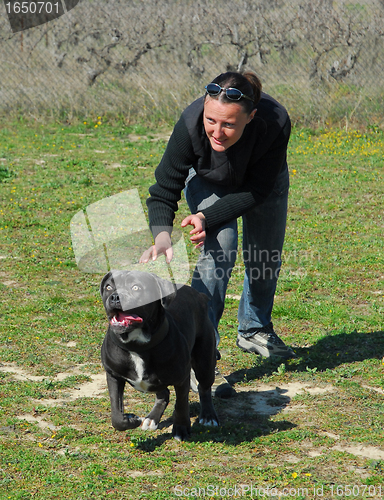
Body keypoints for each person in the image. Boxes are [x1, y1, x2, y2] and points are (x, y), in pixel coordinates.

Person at [140, 71, 295, 397]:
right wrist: (162, 236)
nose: (217, 131)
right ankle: (198, 352)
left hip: (262, 184)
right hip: (209, 178)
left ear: (251, 117)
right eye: (212, 120)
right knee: (220, 246)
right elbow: (164, 188)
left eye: (228, 124)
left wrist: (206, 216)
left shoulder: (275, 122)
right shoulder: (191, 123)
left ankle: (254, 328)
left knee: (264, 257)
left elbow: (257, 190)